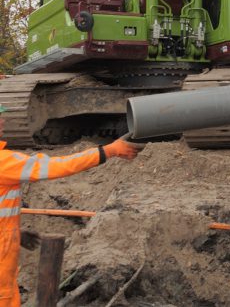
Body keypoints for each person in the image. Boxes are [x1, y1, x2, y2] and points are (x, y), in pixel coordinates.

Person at [0, 104, 144, 307]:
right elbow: (56, 166)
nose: (3, 121)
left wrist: (14, 231)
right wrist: (107, 151)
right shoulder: (4, 162)